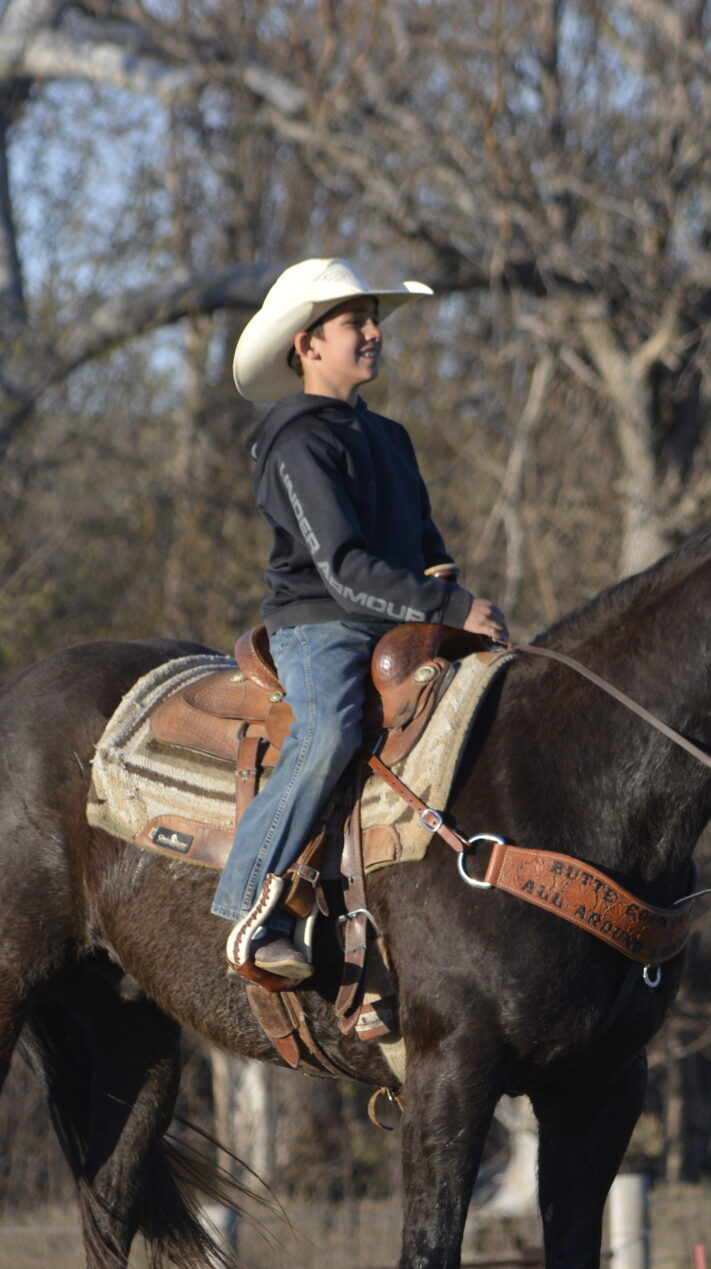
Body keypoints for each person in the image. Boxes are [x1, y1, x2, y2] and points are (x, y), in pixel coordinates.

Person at [214, 257, 509, 982]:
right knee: (333, 732)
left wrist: (455, 602)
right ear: (307, 346)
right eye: (357, 323)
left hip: (403, 624)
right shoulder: (296, 441)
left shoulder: (392, 438)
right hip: (323, 626)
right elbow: (342, 567)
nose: (374, 333)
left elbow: (426, 550)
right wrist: (446, 605)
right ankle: (251, 905)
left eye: (373, 320)